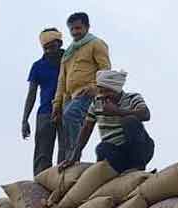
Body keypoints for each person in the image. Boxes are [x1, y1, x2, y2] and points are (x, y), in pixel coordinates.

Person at [60, 69, 153, 173]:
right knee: (101, 148)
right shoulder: (96, 103)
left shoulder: (132, 98)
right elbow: (86, 129)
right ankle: (121, 171)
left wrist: (117, 111)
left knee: (130, 121)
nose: (103, 95)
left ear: (116, 89)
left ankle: (138, 168)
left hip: (140, 150)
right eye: (101, 91)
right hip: (118, 154)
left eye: (107, 91)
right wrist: (75, 155)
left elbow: (145, 114)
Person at [52, 12, 111, 161]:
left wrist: (95, 88)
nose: (74, 32)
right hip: (69, 97)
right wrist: (56, 106)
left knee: (71, 115)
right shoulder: (68, 53)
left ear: (87, 27)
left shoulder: (96, 44)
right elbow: (61, 81)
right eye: (71, 29)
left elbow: (106, 70)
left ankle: (74, 156)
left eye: (78, 28)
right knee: (65, 128)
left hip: (88, 94)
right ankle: (67, 163)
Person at [23, 28, 66, 175]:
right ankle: (41, 184)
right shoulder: (38, 66)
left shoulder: (70, 60)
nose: (49, 51)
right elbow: (32, 94)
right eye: (45, 48)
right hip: (46, 113)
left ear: (59, 43)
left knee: (66, 151)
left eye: (52, 47)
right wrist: (25, 119)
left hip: (67, 110)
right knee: (42, 154)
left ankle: (63, 185)